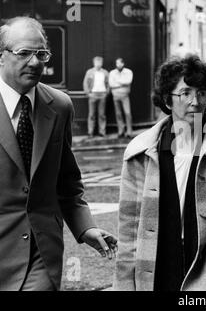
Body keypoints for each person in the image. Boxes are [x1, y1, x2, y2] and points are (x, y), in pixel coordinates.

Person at [113, 55, 206, 291]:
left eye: (202, 93)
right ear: (167, 99)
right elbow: (129, 228)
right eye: (185, 93)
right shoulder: (141, 151)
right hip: (154, 268)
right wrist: (124, 285)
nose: (195, 101)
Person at [0, 17, 117, 291]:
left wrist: (85, 228)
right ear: (1, 57)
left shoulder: (60, 106)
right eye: (24, 53)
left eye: (41, 54)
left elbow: (66, 180)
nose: (35, 61)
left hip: (41, 253)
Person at [83, 56, 109, 138]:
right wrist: (88, 93)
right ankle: (90, 132)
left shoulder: (105, 72)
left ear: (102, 63)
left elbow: (108, 84)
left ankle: (102, 132)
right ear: (94, 63)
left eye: (100, 63)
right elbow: (85, 83)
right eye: (97, 63)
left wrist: (106, 93)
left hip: (102, 95)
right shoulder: (89, 72)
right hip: (93, 94)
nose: (98, 64)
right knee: (91, 115)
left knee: (102, 115)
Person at [109, 57, 134, 138]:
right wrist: (122, 83)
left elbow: (128, 81)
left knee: (127, 113)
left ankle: (129, 132)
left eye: (119, 63)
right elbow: (111, 84)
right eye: (117, 63)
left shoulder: (128, 72)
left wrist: (117, 81)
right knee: (118, 114)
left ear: (123, 64)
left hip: (125, 95)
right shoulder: (112, 73)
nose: (118, 65)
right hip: (115, 96)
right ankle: (121, 131)